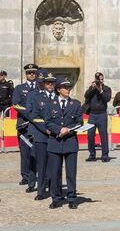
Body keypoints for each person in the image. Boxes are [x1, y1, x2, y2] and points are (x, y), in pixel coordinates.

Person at [44, 78, 83, 209]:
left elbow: (79, 122)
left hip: (70, 142)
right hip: (54, 142)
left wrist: (67, 130)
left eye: (69, 87)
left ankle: (72, 198)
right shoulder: (50, 104)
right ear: (59, 89)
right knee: (55, 173)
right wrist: (58, 130)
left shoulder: (75, 104)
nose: (68, 90)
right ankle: (56, 198)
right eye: (65, 87)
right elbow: (48, 122)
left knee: (71, 173)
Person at [26, 70, 57, 199]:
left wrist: (55, 130)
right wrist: (46, 129)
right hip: (41, 135)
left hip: (55, 136)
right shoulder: (37, 98)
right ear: (43, 84)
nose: (50, 85)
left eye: (52, 83)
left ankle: (54, 188)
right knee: (42, 165)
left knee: (54, 165)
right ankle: (40, 191)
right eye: (48, 83)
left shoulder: (58, 98)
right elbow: (34, 117)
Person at [12, 63, 38, 187]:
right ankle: (26, 176)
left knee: (39, 151)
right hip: (24, 125)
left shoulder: (41, 87)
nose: (31, 74)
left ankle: (38, 175)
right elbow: (15, 104)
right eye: (29, 72)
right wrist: (30, 115)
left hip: (39, 126)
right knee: (25, 151)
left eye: (33, 72)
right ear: (26, 74)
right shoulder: (19, 88)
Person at [84, 72, 112, 162]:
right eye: (98, 79)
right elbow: (86, 96)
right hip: (92, 114)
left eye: (101, 79)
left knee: (103, 135)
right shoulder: (92, 88)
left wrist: (100, 91)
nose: (100, 81)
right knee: (90, 135)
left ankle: (105, 155)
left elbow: (107, 99)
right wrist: (92, 88)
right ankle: (92, 154)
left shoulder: (106, 88)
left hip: (102, 114)